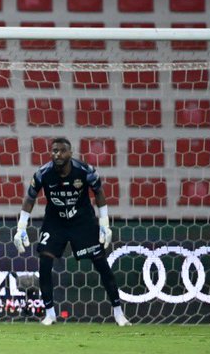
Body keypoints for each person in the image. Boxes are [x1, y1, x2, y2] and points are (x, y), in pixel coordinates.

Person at [12, 137, 128, 327]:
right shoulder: (43, 174)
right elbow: (30, 198)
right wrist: (21, 227)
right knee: (45, 261)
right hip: (55, 222)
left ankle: (118, 313)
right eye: (54, 150)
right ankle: (50, 314)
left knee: (101, 263)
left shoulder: (84, 171)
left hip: (82, 221)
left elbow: (99, 193)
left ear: (70, 153)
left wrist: (104, 224)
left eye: (61, 151)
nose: (57, 154)